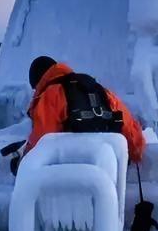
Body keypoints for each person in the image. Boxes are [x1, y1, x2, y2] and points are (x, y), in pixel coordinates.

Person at [16, 55, 146, 169]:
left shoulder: (50, 95)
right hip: (107, 168)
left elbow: (41, 141)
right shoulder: (97, 89)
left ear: (38, 82)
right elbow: (127, 124)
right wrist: (135, 152)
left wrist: (22, 160)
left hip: (72, 172)